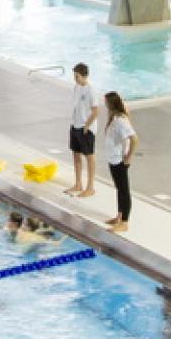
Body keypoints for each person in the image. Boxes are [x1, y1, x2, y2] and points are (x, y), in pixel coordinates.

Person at [102, 91, 136, 232]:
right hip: (113, 159)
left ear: (111, 104)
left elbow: (135, 139)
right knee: (119, 189)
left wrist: (129, 156)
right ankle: (119, 216)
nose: (104, 104)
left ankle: (125, 222)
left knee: (124, 191)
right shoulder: (115, 117)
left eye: (106, 102)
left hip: (119, 160)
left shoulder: (121, 121)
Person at [65, 63, 99, 198]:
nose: (75, 78)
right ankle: (78, 183)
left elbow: (96, 111)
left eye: (77, 76)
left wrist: (87, 126)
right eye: (74, 75)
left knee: (89, 157)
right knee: (76, 154)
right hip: (75, 125)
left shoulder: (91, 90)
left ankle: (90, 187)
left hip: (86, 128)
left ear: (84, 75)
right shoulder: (77, 87)